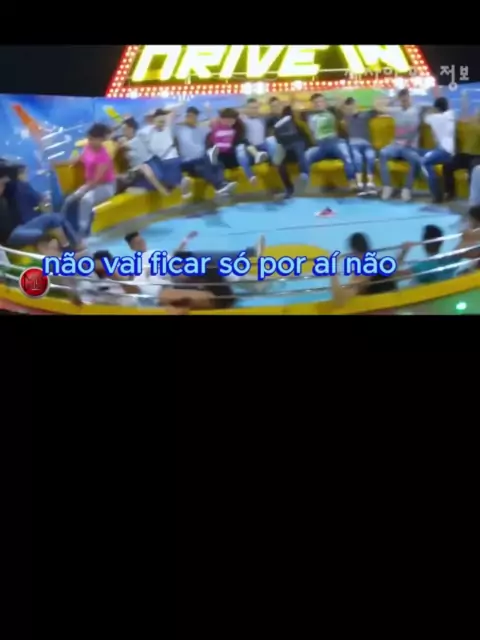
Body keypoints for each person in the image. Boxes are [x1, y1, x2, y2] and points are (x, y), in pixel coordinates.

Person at [0, 173, 81, 253]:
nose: (3, 187)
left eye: (3, 185)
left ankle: (70, 246)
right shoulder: (20, 188)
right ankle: (65, 249)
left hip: (19, 227)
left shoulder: (9, 193)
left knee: (54, 218)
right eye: (1, 185)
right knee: (43, 234)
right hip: (9, 236)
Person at [61, 123, 116, 236]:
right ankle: (62, 225)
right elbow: (81, 158)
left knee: (86, 200)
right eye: (89, 138)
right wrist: (70, 162)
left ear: (100, 140)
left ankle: (83, 230)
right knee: (69, 200)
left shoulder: (104, 157)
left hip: (105, 186)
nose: (89, 141)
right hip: (90, 184)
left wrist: (83, 190)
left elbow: (97, 180)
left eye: (92, 139)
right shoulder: (88, 148)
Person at [175, 107, 236, 197]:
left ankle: (222, 184)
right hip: (187, 161)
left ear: (196, 118)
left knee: (218, 163)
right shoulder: (179, 130)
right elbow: (171, 119)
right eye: (189, 116)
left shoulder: (201, 129)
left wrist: (209, 111)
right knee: (202, 166)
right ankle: (219, 186)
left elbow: (213, 124)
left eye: (193, 117)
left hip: (202, 158)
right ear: (186, 117)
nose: (191, 118)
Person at [376, 89, 423, 202]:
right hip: (396, 145)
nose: (404, 101)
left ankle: (407, 189)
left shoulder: (417, 109)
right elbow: (379, 108)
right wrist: (395, 98)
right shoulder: (396, 110)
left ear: (410, 98)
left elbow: (433, 109)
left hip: (410, 147)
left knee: (415, 159)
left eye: (406, 99)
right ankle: (387, 186)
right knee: (383, 153)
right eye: (402, 100)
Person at [304, 93, 356, 189]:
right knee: (307, 155)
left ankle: (351, 180)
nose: (319, 104)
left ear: (325, 102)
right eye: (316, 102)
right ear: (312, 104)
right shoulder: (309, 115)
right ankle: (305, 184)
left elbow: (342, 102)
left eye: (321, 101)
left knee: (346, 153)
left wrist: (334, 99)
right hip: (320, 145)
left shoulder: (332, 111)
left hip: (334, 142)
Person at [330, 232, 397, 305]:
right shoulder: (382, 263)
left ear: (354, 251)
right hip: (391, 305)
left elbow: (340, 301)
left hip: (377, 307)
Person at [144, 108, 192, 199]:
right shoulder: (151, 131)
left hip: (169, 159)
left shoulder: (166, 127)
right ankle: (181, 183)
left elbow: (173, 111)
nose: (161, 123)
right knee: (167, 176)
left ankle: (181, 183)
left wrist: (159, 111)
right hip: (164, 161)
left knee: (170, 175)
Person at [119, 117, 171, 196]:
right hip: (137, 172)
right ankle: (161, 189)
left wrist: (122, 141)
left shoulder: (137, 139)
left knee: (144, 167)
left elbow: (124, 145)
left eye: (124, 129)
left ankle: (162, 190)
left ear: (131, 129)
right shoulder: (130, 142)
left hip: (146, 169)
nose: (123, 132)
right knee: (143, 168)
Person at [442, 93, 480, 200]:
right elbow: (456, 139)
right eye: (462, 102)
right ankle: (450, 192)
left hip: (477, 155)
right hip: (464, 155)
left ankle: (474, 199)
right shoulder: (461, 122)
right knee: (447, 166)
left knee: (473, 170)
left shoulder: (476, 121)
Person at [72, 250, 140, 307]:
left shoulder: (122, 273)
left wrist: (117, 278)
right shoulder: (88, 280)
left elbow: (136, 292)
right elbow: (83, 302)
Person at [421, 97, 456, 202]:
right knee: (422, 153)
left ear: (437, 108)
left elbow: (425, 118)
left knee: (424, 162)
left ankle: (436, 194)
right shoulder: (451, 115)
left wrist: (429, 109)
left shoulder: (435, 118)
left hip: (444, 152)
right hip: (450, 151)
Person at [342, 97, 377, 193]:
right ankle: (359, 183)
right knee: (357, 159)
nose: (351, 108)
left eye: (352, 106)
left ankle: (370, 183)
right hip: (354, 144)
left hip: (367, 144)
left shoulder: (365, 114)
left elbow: (375, 111)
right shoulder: (346, 117)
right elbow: (339, 110)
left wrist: (377, 104)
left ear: (355, 105)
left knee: (371, 157)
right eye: (348, 107)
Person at [237, 98, 275, 172]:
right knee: (241, 152)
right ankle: (250, 175)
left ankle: (273, 165)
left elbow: (273, 116)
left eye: (256, 108)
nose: (254, 110)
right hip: (249, 148)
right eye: (251, 108)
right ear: (246, 109)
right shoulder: (242, 120)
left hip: (262, 145)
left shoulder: (263, 119)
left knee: (272, 141)